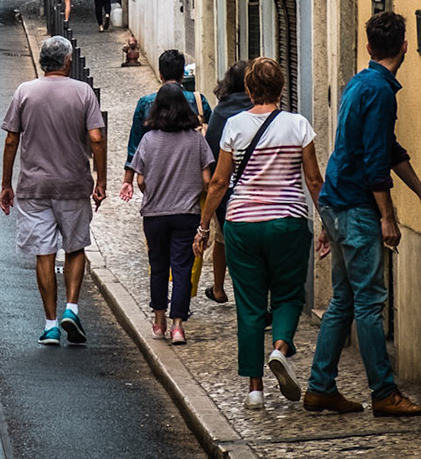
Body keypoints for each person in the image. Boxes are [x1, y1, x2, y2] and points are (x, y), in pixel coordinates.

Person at [304, 11, 421, 418]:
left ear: (368, 48)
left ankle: (320, 387)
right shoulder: (380, 92)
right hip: (356, 206)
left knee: (343, 299)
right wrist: (388, 216)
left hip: (337, 200)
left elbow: (388, 147)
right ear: (404, 47)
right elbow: (375, 160)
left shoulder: (361, 83)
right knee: (368, 302)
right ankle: (383, 392)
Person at [195, 57, 323, 411]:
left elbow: (219, 182)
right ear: (282, 89)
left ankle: (254, 390)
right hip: (288, 222)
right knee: (288, 296)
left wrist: (204, 226)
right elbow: (313, 180)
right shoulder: (298, 125)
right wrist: (326, 222)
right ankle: (280, 349)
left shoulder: (234, 125)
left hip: (242, 225)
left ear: (249, 90)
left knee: (250, 306)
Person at [0, 35, 108, 346]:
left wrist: (7, 184)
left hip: (34, 187)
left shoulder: (24, 92)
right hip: (73, 184)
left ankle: (50, 325)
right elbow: (97, 139)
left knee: (43, 253)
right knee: (74, 247)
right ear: (68, 62)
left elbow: (11, 140)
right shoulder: (83, 92)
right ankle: (71, 309)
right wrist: (101, 180)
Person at [129, 84, 213, 345]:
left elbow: (140, 179)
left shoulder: (148, 139)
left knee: (158, 267)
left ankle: (158, 321)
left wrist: (152, 189)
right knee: (182, 268)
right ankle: (178, 326)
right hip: (186, 213)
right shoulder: (196, 140)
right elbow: (207, 181)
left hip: (154, 213)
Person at [121, 48, 211, 199]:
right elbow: (212, 135)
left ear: (160, 74)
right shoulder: (198, 101)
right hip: (190, 176)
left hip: (156, 178)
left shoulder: (145, 103)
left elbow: (135, 144)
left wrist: (128, 179)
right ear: (183, 74)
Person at [199, 61, 251, 303]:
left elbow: (211, 151)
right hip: (258, 191)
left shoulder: (221, 112)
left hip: (227, 192)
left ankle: (219, 288)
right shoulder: (261, 109)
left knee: (222, 239)